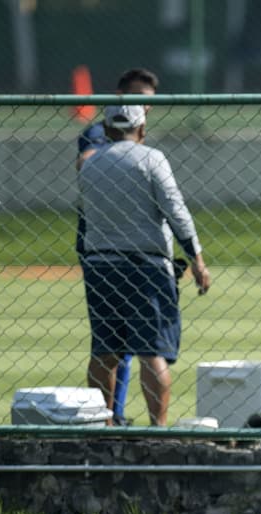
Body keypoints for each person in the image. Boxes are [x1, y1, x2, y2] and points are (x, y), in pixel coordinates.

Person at [78, 104, 212, 427]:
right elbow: (176, 211)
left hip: (101, 264)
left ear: (108, 129)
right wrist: (196, 259)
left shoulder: (90, 165)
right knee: (152, 351)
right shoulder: (152, 159)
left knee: (105, 351)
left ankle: (104, 425)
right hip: (146, 265)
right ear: (142, 127)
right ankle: (157, 427)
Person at [76, 67, 160, 426]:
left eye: (150, 102)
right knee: (118, 342)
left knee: (120, 341)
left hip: (128, 242)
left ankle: (114, 415)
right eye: (138, 99)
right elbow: (87, 162)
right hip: (107, 242)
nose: (146, 108)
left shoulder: (137, 140)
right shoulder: (100, 133)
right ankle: (112, 415)